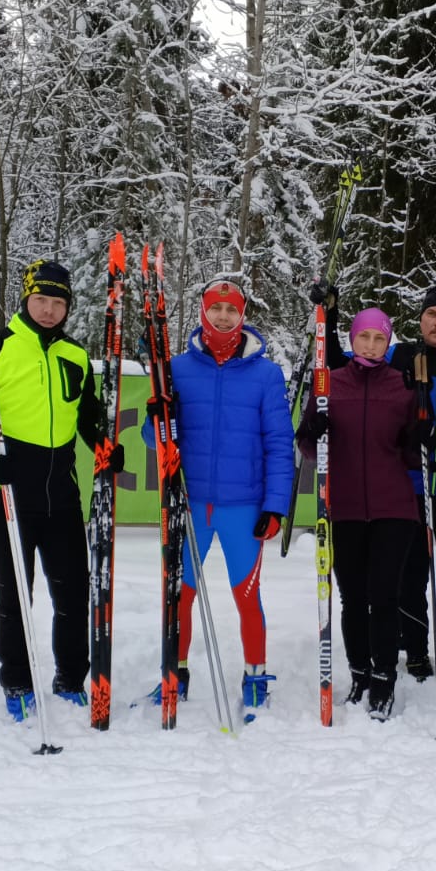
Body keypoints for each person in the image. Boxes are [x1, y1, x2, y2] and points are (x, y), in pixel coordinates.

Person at [0, 259, 110, 720]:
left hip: (62, 491)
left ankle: (71, 675)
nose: (50, 309)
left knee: (73, 590)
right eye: (42, 299)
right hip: (7, 492)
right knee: (17, 591)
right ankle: (16, 680)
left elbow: (85, 419)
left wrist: (103, 447)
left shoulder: (76, 356)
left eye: (59, 302)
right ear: (26, 298)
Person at [318, 281, 436, 679]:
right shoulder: (401, 356)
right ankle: (416, 652)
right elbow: (338, 365)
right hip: (411, 486)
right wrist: (330, 316)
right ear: (419, 320)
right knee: (409, 578)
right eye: (431, 315)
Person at [141, 277, 293, 715]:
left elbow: (279, 445)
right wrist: (156, 417)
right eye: (215, 309)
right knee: (181, 594)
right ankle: (177, 672)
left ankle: (255, 674)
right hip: (190, 503)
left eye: (231, 310)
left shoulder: (265, 374)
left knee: (247, 594)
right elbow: (158, 440)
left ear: (242, 315)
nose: (223, 316)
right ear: (203, 312)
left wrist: (275, 506)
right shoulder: (177, 367)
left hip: (243, 506)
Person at [296, 306, 423, 721]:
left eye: (379, 339)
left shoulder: (401, 388)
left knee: (384, 597)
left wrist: (419, 431)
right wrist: (312, 433)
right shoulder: (329, 384)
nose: (371, 345)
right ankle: (360, 674)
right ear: (353, 339)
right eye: (365, 337)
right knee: (353, 598)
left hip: (394, 508)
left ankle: (385, 678)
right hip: (345, 508)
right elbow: (309, 446)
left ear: (388, 343)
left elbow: (409, 455)